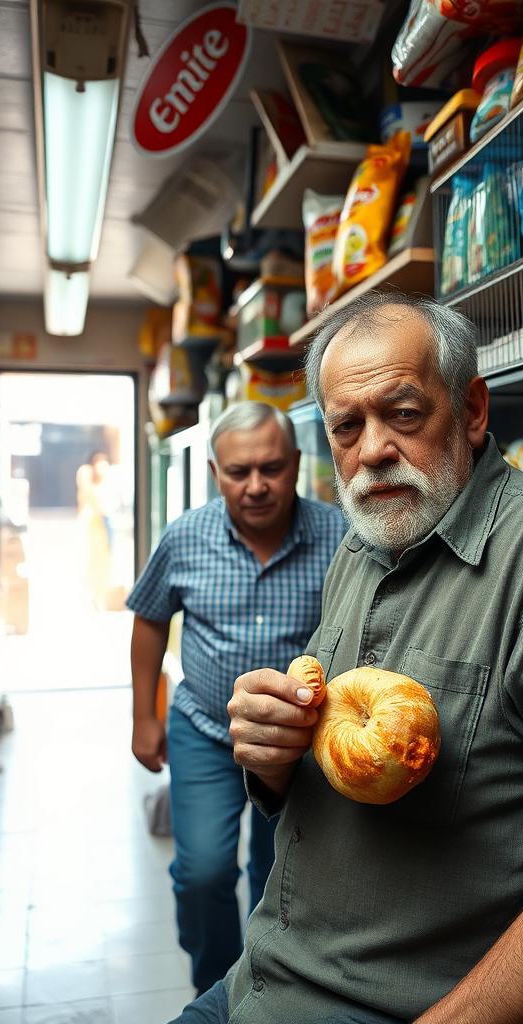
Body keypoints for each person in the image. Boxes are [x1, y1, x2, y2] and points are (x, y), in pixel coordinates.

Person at [171, 294, 523, 1024]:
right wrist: (271, 753)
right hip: (262, 980)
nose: (372, 451)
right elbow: (349, 769)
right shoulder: (359, 549)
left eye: (403, 414)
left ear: (473, 410)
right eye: (346, 427)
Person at [127, 401, 346, 995]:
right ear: (215, 472)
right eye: (237, 472)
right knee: (202, 872)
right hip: (202, 727)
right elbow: (149, 620)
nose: (255, 487)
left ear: (296, 463)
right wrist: (142, 716)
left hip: (295, 740)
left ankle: (270, 987)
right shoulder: (185, 537)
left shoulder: (341, 537)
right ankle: (217, 992)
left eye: (271, 468)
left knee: (278, 873)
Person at [76, 451, 112, 609]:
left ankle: (99, 596)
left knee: (103, 562)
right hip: (93, 522)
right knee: (91, 561)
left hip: (104, 522)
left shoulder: (105, 482)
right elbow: (88, 496)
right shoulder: (86, 475)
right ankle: (93, 596)